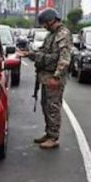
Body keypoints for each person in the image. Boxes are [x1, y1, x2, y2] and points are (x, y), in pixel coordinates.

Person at [19, 8, 72, 149]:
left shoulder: (63, 34)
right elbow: (43, 52)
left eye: (44, 24)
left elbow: (64, 59)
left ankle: (54, 137)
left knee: (53, 107)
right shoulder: (52, 35)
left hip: (54, 77)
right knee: (46, 106)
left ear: (50, 20)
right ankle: (49, 133)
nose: (44, 27)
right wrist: (29, 54)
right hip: (46, 77)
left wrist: (56, 76)